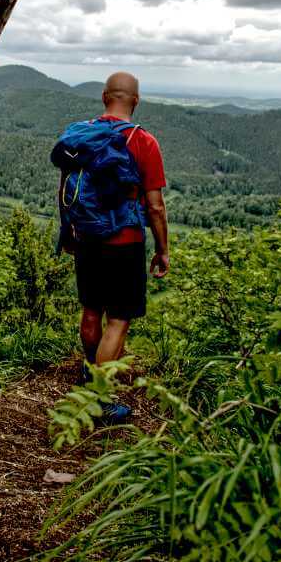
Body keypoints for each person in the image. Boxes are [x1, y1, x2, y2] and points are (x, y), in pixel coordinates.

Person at [68, 71, 169, 420]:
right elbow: (154, 205)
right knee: (119, 320)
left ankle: (90, 371)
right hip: (125, 241)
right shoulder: (144, 142)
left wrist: (70, 232)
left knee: (92, 309)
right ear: (136, 101)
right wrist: (162, 248)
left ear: (103, 97)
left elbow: (70, 189)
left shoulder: (82, 135)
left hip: (87, 237)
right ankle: (99, 400)